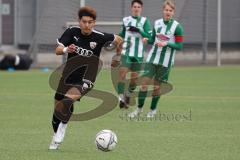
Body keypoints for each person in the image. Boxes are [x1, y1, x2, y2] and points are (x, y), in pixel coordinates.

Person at [49, 6, 122, 150]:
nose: (87, 25)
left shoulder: (100, 36)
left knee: (67, 101)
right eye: (84, 22)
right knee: (57, 110)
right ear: (79, 21)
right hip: (68, 76)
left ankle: (62, 129)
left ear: (94, 23)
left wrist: (117, 57)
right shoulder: (72, 32)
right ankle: (57, 131)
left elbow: (119, 40)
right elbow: (57, 50)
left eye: (90, 22)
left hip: (87, 78)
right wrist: (65, 49)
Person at [128, 0, 184, 118]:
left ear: (173, 12)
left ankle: (152, 110)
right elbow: (153, 39)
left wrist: (166, 44)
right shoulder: (157, 23)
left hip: (165, 62)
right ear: (163, 10)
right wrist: (147, 40)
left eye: (170, 10)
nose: (168, 12)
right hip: (152, 59)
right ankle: (138, 110)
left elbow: (179, 46)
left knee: (157, 87)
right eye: (166, 10)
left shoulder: (177, 27)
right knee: (143, 84)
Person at [116, 0, 151, 109]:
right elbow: (122, 34)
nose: (136, 8)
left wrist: (139, 30)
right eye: (134, 6)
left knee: (134, 80)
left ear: (141, 9)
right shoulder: (126, 20)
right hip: (126, 53)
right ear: (131, 8)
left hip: (138, 55)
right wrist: (115, 40)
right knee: (122, 74)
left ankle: (128, 94)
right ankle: (121, 98)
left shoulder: (145, 21)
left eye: (138, 7)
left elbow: (148, 37)